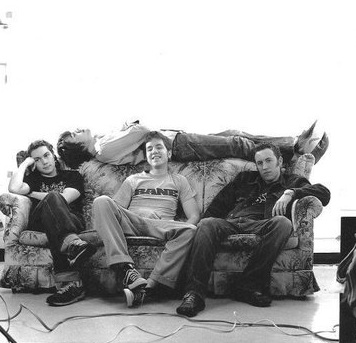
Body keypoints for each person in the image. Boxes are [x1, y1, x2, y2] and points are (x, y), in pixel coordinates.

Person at [177, 142, 331, 317]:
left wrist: (290, 193)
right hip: (232, 223)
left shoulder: (292, 181)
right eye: (260, 163)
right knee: (206, 224)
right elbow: (218, 205)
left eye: (269, 161)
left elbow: (324, 193)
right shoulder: (245, 179)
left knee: (283, 223)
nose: (264, 167)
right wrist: (204, 226)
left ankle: (248, 284)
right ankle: (194, 294)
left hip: (262, 225)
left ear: (280, 161)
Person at [92, 131, 200, 306]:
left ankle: (149, 286)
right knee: (101, 202)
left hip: (159, 225)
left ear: (169, 153)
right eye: (149, 149)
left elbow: (194, 215)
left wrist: (174, 229)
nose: (154, 151)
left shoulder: (179, 180)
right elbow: (115, 210)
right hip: (133, 222)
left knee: (191, 230)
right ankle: (125, 269)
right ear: (146, 157)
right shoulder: (133, 180)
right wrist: (143, 212)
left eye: (159, 147)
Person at [8, 139, 96, 307]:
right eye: (37, 159)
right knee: (53, 212)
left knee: (55, 207)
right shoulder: (33, 179)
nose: (44, 161)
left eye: (46, 155)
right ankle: (72, 247)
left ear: (53, 156)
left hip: (72, 219)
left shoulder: (72, 176)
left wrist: (33, 194)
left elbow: (65, 198)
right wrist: (25, 163)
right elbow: (14, 188)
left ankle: (71, 283)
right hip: (41, 221)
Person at [56, 119, 329, 168]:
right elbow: (142, 129)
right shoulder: (104, 149)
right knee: (237, 143)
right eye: (74, 135)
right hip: (177, 145)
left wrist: (130, 128)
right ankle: (294, 152)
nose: (78, 129)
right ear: (78, 147)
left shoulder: (103, 143)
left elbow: (136, 131)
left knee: (234, 133)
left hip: (176, 141)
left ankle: (293, 144)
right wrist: (129, 127)